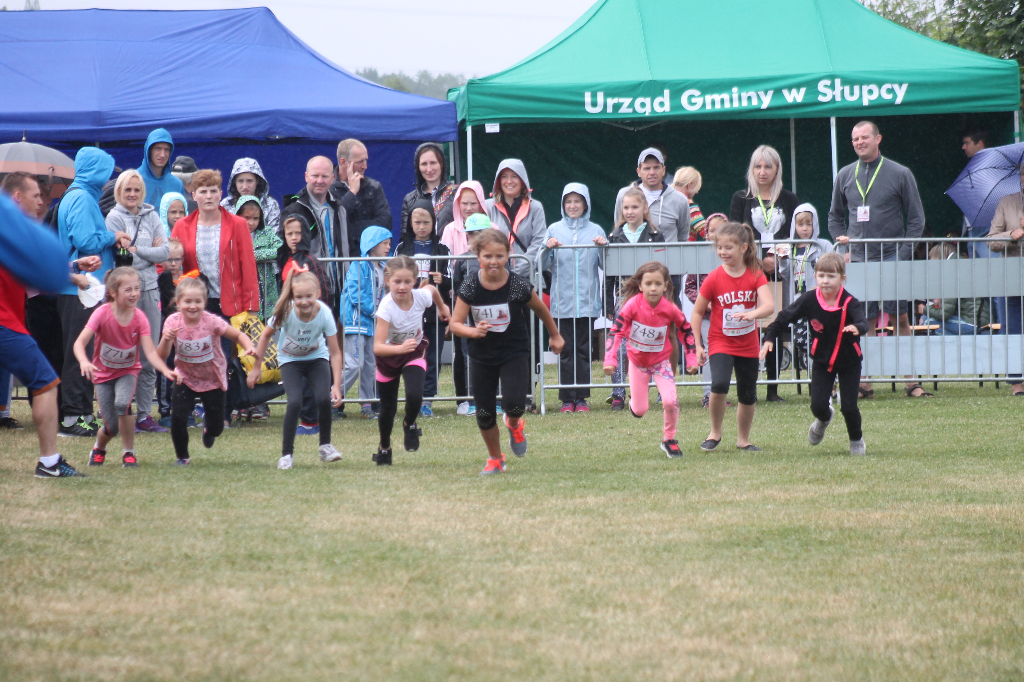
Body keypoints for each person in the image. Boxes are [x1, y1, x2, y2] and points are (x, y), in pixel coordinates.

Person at [449, 229, 564, 475]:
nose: (493, 261)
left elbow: (540, 308)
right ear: (477, 256)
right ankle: (495, 458)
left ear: (508, 256)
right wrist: (472, 332)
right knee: (483, 412)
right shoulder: (470, 285)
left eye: (499, 256)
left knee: (514, 405)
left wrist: (554, 335)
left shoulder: (516, 285)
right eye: (488, 256)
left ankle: (514, 424)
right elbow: (455, 323)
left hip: (514, 351)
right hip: (481, 356)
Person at [827, 120, 928, 398]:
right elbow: (835, 216)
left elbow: (917, 219)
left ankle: (911, 380)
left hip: (893, 258)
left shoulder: (900, 173)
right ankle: (865, 381)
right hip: (859, 261)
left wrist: (903, 254)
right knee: (865, 322)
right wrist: (841, 241)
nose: (860, 142)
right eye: (855, 139)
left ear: (878, 139)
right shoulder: (845, 175)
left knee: (901, 319)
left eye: (865, 137)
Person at [0, 185, 94, 477]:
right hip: (4, 324)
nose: (41, 201)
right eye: (34, 194)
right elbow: (44, 270)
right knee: (46, 383)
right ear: (16, 196)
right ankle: (50, 463)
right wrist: (71, 274)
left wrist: (74, 269)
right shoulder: (11, 227)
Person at [171, 169, 260, 426]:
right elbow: (176, 263)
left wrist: (251, 307)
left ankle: (222, 413)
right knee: (191, 357)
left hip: (229, 303)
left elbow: (248, 266)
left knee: (223, 359)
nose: (209, 196)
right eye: (203, 191)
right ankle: (188, 411)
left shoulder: (238, 224)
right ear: (193, 195)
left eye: (213, 191)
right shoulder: (182, 225)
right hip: (195, 303)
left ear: (221, 194)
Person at [761, 252, 869, 455]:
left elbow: (863, 321)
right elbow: (784, 317)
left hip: (849, 362)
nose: (825, 281)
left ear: (842, 279)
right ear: (815, 277)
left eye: (831, 276)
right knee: (817, 405)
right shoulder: (810, 299)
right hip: (822, 361)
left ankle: (856, 441)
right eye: (821, 276)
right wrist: (769, 339)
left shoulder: (850, 302)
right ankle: (823, 419)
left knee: (849, 407)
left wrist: (857, 327)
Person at [57, 147, 131, 438]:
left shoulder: (82, 196)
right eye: (105, 171)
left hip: (85, 287)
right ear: (95, 170)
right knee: (79, 352)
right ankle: (71, 418)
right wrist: (113, 236)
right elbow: (86, 240)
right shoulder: (81, 198)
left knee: (88, 351)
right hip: (78, 287)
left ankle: (84, 414)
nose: (106, 179)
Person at [73, 267, 178, 468]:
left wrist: (164, 369)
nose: (134, 294)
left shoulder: (139, 318)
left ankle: (128, 453)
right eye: (128, 289)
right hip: (103, 375)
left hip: (128, 371)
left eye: (137, 288)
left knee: (123, 404)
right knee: (111, 427)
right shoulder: (102, 313)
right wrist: (84, 362)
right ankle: (99, 448)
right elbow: (79, 343)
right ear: (113, 292)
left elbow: (150, 353)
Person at [690, 222, 775, 452]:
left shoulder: (755, 274)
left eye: (728, 248)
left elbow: (769, 306)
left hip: (747, 343)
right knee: (719, 384)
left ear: (743, 248)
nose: (723, 252)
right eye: (719, 248)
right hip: (720, 341)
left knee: (748, 391)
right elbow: (697, 312)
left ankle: (743, 440)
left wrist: (751, 314)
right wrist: (698, 345)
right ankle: (714, 433)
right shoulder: (714, 278)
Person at [248, 270, 344, 470]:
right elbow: (265, 336)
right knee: (295, 402)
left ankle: (325, 446)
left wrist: (336, 385)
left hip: (316, 359)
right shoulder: (285, 312)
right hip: (290, 361)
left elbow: (335, 353)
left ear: (318, 293)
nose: (304, 301)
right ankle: (286, 455)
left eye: (308, 296)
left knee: (323, 399)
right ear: (292, 297)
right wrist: (257, 368)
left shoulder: (325, 314)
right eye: (298, 297)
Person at [603, 261, 698, 458]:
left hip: (661, 363)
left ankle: (669, 440)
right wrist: (610, 360)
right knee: (640, 410)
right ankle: (634, 405)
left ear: (666, 286)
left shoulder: (670, 308)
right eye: (648, 284)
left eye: (657, 284)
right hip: (637, 363)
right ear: (640, 286)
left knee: (670, 401)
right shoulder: (631, 306)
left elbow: (686, 330)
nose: (653, 288)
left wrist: (691, 359)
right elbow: (615, 332)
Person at [157, 277, 255, 465]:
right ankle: (182, 456)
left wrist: (248, 346)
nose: (193, 306)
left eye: (198, 301)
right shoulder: (172, 322)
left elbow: (238, 335)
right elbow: (161, 354)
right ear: (177, 303)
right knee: (178, 418)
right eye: (187, 301)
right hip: (185, 377)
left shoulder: (212, 322)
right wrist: (166, 339)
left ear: (205, 302)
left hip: (212, 378)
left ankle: (209, 429)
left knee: (217, 428)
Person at [105, 169, 170, 433]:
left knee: (148, 354)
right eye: (127, 189)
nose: (132, 194)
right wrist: (147, 254)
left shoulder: (152, 215)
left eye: (136, 189)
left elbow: (165, 252)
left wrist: (137, 250)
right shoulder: (113, 218)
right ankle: (121, 412)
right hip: (123, 295)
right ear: (119, 191)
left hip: (150, 291)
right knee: (122, 354)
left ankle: (145, 415)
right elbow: (123, 258)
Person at [372, 256, 452, 465]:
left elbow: (432, 291)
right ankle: (384, 447)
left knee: (415, 394)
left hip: (414, 352)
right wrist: (399, 348)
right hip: (388, 357)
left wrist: (442, 308)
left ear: (415, 281)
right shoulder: (386, 308)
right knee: (387, 410)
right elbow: (377, 346)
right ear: (387, 281)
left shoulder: (419, 297)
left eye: (407, 282)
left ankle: (409, 425)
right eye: (397, 282)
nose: (402, 287)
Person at [543, 183, 607, 413]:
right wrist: (546, 248)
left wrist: (602, 248)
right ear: (562, 204)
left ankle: (582, 398)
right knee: (565, 349)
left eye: (577, 201)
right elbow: (541, 265)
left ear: (586, 204)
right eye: (568, 201)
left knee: (584, 349)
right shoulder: (553, 230)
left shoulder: (596, 229)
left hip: (587, 303)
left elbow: (606, 266)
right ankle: (566, 398)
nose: (573, 206)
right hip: (562, 303)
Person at [605, 187, 664, 411]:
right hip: (623, 300)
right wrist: (608, 303)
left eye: (635, 207)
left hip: (649, 300)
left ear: (645, 208)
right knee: (619, 345)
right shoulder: (615, 236)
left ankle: (648, 391)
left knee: (650, 343)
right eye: (626, 207)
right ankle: (618, 392)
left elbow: (663, 269)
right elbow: (610, 274)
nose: (630, 211)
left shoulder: (657, 235)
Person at [393, 197, 451, 417]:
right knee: (411, 355)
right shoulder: (402, 247)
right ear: (410, 224)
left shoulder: (442, 248)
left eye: (426, 222)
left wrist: (441, 279)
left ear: (434, 223)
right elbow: (394, 276)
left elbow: (451, 279)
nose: (421, 227)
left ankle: (427, 399)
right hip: (409, 312)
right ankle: (412, 396)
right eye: (417, 223)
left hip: (433, 312)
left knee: (432, 355)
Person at [441, 181, 489, 415]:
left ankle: (493, 398)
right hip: (465, 313)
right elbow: (456, 284)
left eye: (481, 233)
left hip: (489, 313)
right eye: (472, 234)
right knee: (466, 354)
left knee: (491, 354)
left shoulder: (496, 258)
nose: (476, 238)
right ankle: (468, 399)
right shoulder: (460, 258)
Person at [341, 225, 392, 419]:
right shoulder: (359, 264)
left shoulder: (384, 267)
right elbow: (356, 295)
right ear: (372, 244)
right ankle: (332, 397)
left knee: (370, 365)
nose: (388, 247)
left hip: (373, 325)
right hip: (356, 323)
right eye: (384, 243)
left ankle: (367, 406)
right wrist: (377, 312)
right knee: (354, 364)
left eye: (389, 243)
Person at [282, 156, 347, 305]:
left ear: (332, 178)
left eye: (324, 176)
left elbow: (347, 245)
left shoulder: (340, 207)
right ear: (306, 177)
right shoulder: (293, 209)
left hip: (339, 287)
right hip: (307, 291)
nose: (320, 181)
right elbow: (284, 250)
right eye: (315, 176)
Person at [986, 163, 1024, 396]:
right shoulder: (1006, 202)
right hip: (1010, 276)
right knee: (1012, 328)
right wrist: (1011, 235)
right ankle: (1016, 382)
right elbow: (990, 240)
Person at [684, 213, 728, 407]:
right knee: (711, 352)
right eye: (711, 230)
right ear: (705, 234)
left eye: (721, 230)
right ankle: (709, 395)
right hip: (708, 316)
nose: (715, 234)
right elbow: (690, 287)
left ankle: (722, 394)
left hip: (729, 316)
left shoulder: (731, 257)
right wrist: (704, 302)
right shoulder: (699, 257)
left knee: (727, 353)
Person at [485, 159, 548, 281]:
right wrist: (501, 271)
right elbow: (484, 241)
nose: (509, 181)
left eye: (514, 176)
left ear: (522, 180)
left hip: (528, 279)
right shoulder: (488, 207)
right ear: (498, 181)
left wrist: (517, 271)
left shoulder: (535, 207)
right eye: (504, 177)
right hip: (496, 278)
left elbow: (539, 241)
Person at [613, 148, 690, 246]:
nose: (652, 172)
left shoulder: (680, 200)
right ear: (638, 171)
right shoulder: (623, 194)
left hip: (667, 260)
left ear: (663, 170)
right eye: (647, 168)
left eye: (656, 167)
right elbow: (619, 227)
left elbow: (682, 238)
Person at [332, 139, 392, 258]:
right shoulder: (328, 188)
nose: (365, 166)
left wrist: (350, 229)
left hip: (370, 257)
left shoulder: (374, 187)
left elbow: (386, 222)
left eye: (366, 160)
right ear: (343, 162)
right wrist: (352, 193)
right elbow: (335, 221)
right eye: (360, 161)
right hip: (342, 258)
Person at [918, 243, 990, 335]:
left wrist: (924, 309)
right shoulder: (959, 269)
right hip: (976, 321)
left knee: (926, 322)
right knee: (933, 327)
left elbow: (944, 314)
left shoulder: (951, 274)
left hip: (971, 323)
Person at [235, 195, 283, 322]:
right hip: (243, 287)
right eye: (247, 218)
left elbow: (281, 249)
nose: (251, 222)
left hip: (266, 286)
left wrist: (254, 255)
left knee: (266, 323)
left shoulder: (266, 231)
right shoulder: (233, 232)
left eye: (255, 218)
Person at [400, 143, 456, 237]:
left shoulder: (457, 194)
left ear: (441, 164)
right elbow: (405, 238)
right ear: (418, 167)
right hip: (420, 251)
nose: (429, 169)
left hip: (450, 251)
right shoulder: (410, 199)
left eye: (433, 163)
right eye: (424, 164)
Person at [220, 158, 281, 232]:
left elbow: (275, 235)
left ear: (257, 181)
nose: (245, 186)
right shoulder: (225, 205)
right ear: (234, 182)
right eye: (240, 181)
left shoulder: (270, 204)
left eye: (250, 181)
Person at [137, 129, 185, 209]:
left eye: (166, 150)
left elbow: (182, 217)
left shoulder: (177, 184)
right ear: (149, 150)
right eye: (158, 148)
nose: (162, 155)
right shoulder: (132, 180)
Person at [672, 166, 708, 241]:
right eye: (696, 187)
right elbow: (705, 232)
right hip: (684, 251)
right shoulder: (688, 205)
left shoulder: (664, 199)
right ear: (689, 184)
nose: (697, 192)